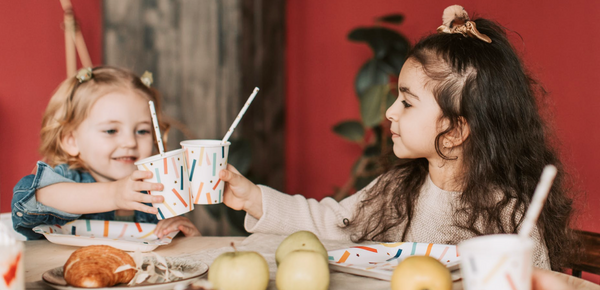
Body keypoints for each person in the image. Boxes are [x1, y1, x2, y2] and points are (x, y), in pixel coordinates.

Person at [219, 5, 577, 271]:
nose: (389, 112)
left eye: (406, 102)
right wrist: (252, 198)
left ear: (453, 131)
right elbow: (330, 225)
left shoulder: (509, 217)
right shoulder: (397, 188)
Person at [12, 66, 200, 240]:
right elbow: (30, 199)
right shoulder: (68, 179)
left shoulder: (158, 194)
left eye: (142, 131)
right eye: (111, 131)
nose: (130, 142)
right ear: (71, 141)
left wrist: (188, 239)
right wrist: (113, 194)